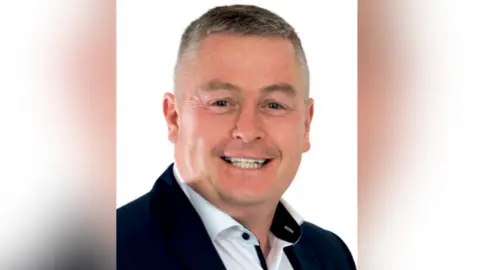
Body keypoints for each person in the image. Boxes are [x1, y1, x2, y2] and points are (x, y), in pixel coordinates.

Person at [117, 4, 356, 270]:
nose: (248, 130)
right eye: (221, 102)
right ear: (174, 118)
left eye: (274, 105)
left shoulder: (331, 255)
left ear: (306, 124)